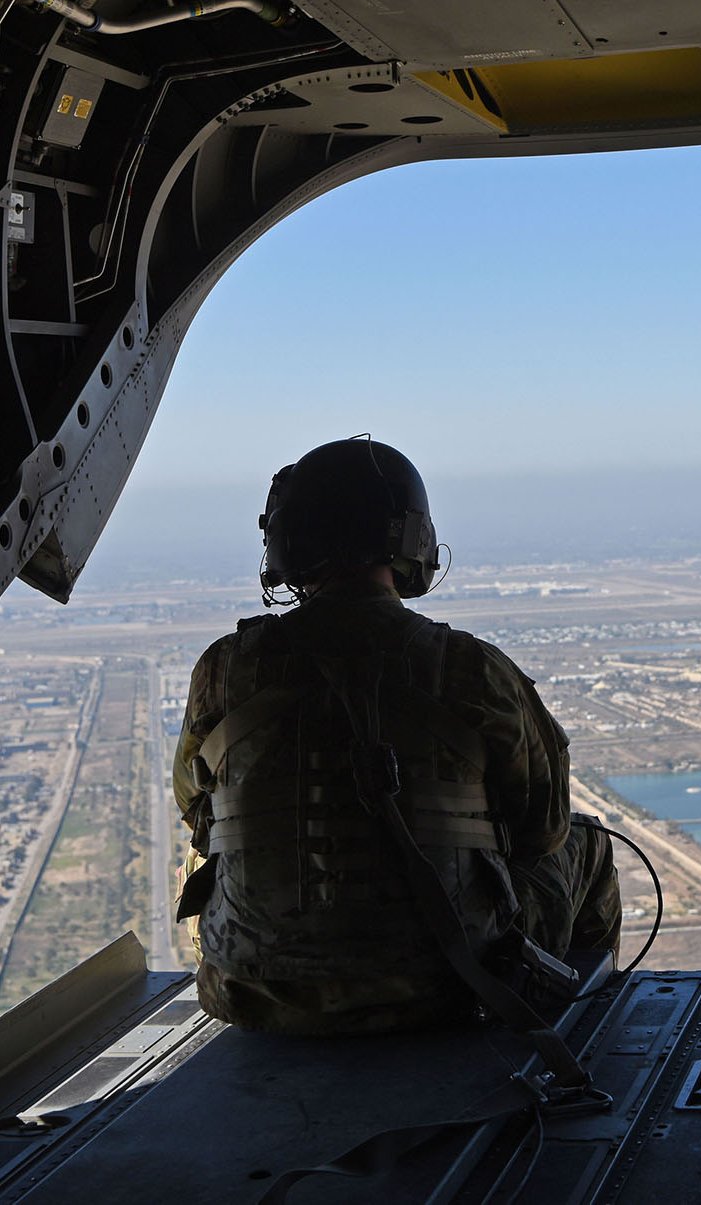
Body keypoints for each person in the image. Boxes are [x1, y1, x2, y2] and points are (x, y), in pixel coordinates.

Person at [173, 437, 621, 1035]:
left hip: (255, 994)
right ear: (413, 541)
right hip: (448, 987)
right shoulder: (472, 669)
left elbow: (195, 809)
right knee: (587, 842)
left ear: (286, 541)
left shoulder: (225, 670)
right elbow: (542, 829)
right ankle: (587, 1033)